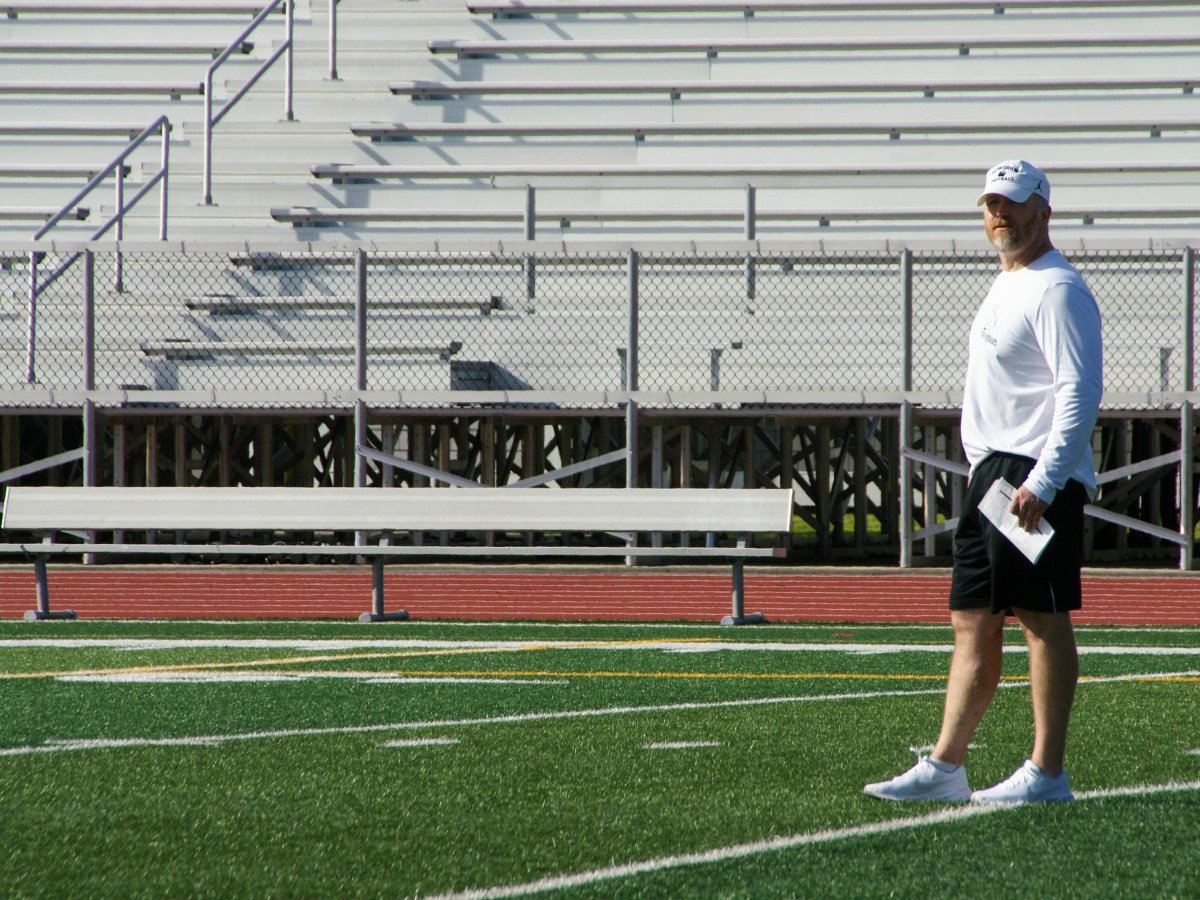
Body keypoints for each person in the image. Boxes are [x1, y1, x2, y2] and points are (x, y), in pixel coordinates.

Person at [864, 160, 1103, 804]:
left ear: (1043, 210)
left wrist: (1047, 482)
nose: (1002, 215)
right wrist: (982, 469)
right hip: (994, 474)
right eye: (993, 204)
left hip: (1032, 474)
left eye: (1015, 204)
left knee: (1040, 616)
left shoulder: (1057, 288)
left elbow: (1079, 395)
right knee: (971, 617)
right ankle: (946, 766)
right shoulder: (1008, 282)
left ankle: (1047, 772)